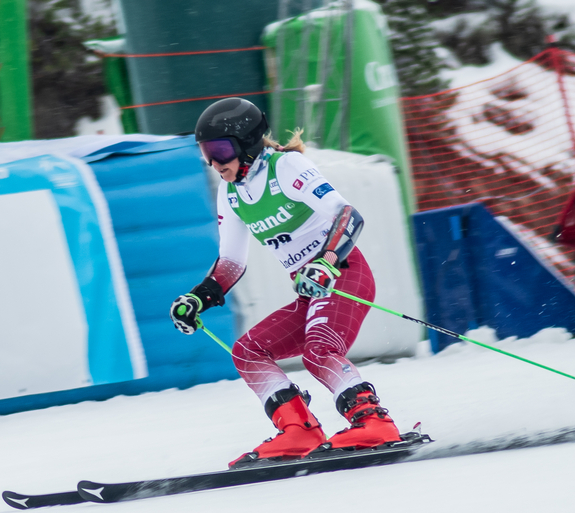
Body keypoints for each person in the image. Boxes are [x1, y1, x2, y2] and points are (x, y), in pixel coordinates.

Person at [170, 97, 402, 468]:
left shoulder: (286, 167)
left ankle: (374, 422)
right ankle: (299, 430)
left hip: (342, 273)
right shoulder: (230, 192)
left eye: (220, 150)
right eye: (206, 153)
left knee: (319, 349)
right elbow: (231, 262)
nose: (214, 163)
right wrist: (199, 297)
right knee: (247, 351)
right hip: (310, 290)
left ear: (247, 143)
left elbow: (348, 215)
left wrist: (325, 262)